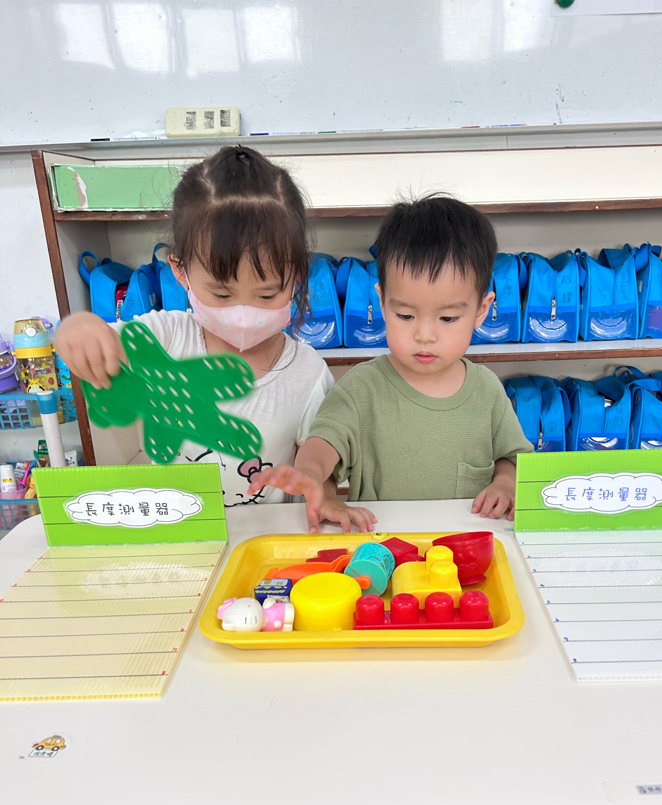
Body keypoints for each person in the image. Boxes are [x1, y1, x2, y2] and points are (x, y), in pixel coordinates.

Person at [55, 145, 334, 507]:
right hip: (181, 533)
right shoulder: (166, 337)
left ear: (297, 275)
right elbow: (103, 342)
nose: (244, 313)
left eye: (267, 295)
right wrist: (77, 329)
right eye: (221, 294)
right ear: (180, 271)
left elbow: (320, 469)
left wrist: (324, 495)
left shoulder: (308, 372)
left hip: (265, 537)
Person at [249, 195, 533, 532]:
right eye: (405, 315)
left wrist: (505, 483)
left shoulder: (487, 390)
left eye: (447, 318)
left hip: (466, 548)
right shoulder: (361, 388)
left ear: (481, 311)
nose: (425, 335)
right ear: (382, 302)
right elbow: (324, 443)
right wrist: (311, 476)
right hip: (383, 547)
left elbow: (512, 456)